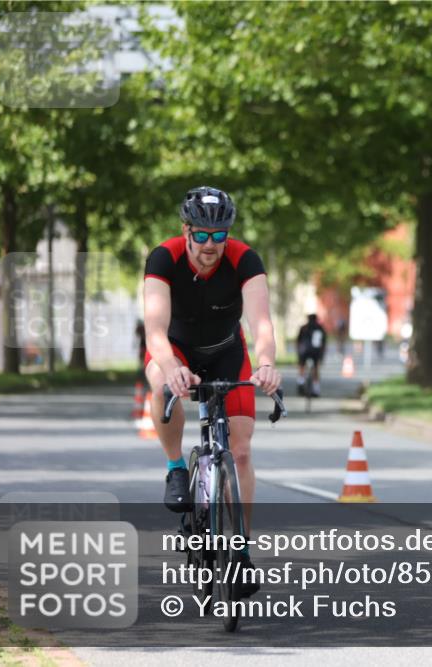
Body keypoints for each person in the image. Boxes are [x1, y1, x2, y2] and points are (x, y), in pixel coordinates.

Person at [143, 186, 281, 598]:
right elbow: (154, 328)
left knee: (240, 451)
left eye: (218, 236)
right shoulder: (163, 258)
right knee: (158, 381)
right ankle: (175, 468)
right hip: (177, 349)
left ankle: (239, 553)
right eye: (201, 235)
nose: (209, 245)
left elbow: (262, 323)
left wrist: (268, 363)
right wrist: (173, 368)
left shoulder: (244, 259)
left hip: (226, 352)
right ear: (185, 230)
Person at [297, 313, 327, 396]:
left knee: (302, 366)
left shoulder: (303, 328)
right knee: (316, 368)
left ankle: (300, 382)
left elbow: (298, 341)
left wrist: (299, 354)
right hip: (316, 351)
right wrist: (322, 355)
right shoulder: (320, 328)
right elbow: (323, 343)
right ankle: (316, 389)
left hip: (304, 351)